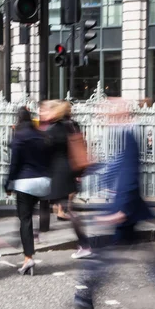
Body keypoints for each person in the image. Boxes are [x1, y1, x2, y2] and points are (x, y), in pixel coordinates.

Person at [71, 98, 155, 309]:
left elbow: (130, 175)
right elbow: (121, 167)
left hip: (126, 211)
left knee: (109, 256)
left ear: (121, 113)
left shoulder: (129, 134)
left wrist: (120, 211)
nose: (104, 115)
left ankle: (85, 299)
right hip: (128, 209)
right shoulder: (127, 133)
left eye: (108, 110)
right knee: (135, 259)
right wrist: (97, 168)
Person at [41, 100, 91, 259]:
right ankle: (83, 243)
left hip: (59, 174)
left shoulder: (55, 129)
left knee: (64, 207)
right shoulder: (70, 125)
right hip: (68, 171)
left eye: (47, 110)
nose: (43, 113)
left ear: (55, 112)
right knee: (64, 207)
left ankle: (84, 244)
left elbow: (44, 149)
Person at [4, 107, 51, 276]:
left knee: (25, 220)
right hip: (44, 182)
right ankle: (38, 234)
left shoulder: (19, 137)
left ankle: (28, 257)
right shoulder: (41, 135)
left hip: (25, 183)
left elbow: (14, 164)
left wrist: (7, 184)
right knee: (34, 213)